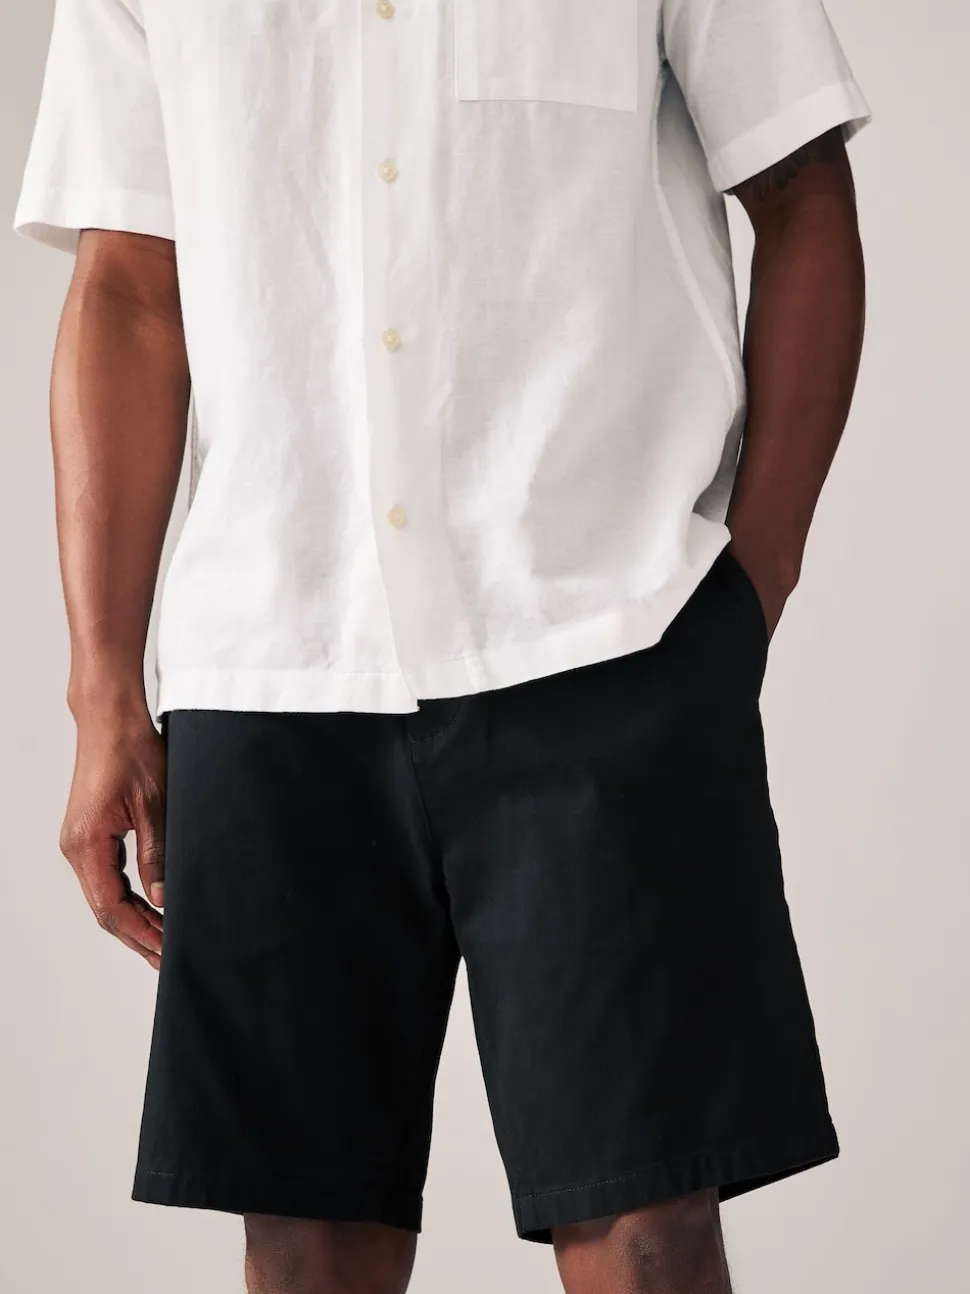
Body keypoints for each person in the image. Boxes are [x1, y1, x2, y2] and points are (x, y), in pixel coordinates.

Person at [15, 0, 869, 1290]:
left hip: (605, 641)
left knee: (649, 1238)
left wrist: (756, 582)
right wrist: (102, 697)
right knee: (303, 1245)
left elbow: (804, 194)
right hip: (273, 658)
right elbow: (128, 288)